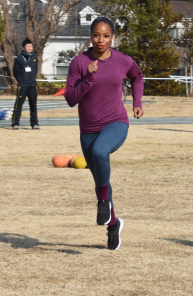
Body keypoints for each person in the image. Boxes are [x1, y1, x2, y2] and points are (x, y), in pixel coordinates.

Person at [64, 17, 144, 251]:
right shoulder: (79, 62)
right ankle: (113, 224)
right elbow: (70, 99)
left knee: (101, 153)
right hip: (87, 129)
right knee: (101, 179)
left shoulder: (122, 60)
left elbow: (137, 76)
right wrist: (88, 78)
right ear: (91, 36)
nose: (101, 40)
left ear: (112, 37)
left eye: (106, 35)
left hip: (116, 122)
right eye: (97, 35)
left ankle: (102, 202)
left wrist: (137, 102)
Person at [11, 39, 39, 130]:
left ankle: (34, 124)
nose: (30, 48)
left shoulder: (35, 57)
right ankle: (15, 123)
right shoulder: (19, 58)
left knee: (33, 105)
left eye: (31, 46)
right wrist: (20, 80)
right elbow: (15, 71)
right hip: (23, 85)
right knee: (18, 105)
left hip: (32, 85)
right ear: (23, 48)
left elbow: (36, 69)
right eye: (28, 47)